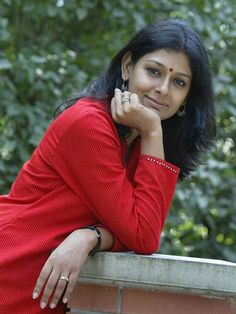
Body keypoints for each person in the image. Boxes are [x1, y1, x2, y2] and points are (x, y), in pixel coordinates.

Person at [0, 18, 215, 313]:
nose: (163, 89)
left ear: (187, 97)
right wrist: (153, 130)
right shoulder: (89, 124)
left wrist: (91, 236)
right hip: (9, 268)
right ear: (128, 67)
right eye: (153, 71)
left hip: (39, 294)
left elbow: (140, 230)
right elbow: (142, 235)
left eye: (179, 82)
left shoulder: (140, 145)